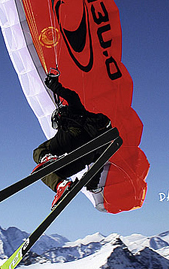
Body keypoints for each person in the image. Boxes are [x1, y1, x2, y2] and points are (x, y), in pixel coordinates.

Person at [33, 72, 111, 209]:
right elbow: (100, 161)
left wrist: (54, 85)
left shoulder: (75, 112)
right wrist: (93, 183)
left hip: (72, 137)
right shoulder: (102, 139)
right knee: (56, 173)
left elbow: (72, 96)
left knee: (38, 153)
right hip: (84, 157)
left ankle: (48, 160)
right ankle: (62, 185)